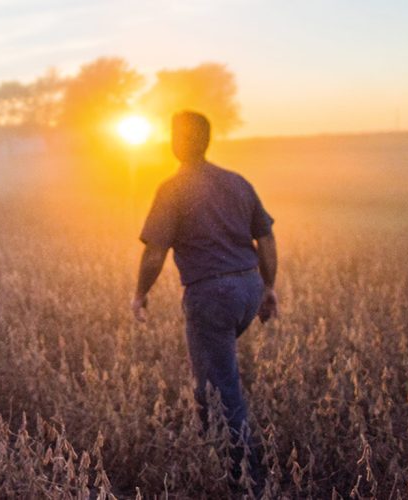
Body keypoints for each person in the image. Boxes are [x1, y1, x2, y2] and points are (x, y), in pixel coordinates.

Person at [131, 110, 278, 488]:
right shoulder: (237, 182)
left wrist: (140, 294)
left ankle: (246, 481)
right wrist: (269, 288)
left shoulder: (173, 187)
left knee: (218, 388)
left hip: (212, 293)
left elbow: (154, 252)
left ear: (177, 143)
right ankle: (216, 451)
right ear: (208, 141)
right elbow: (266, 238)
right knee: (220, 374)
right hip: (248, 287)